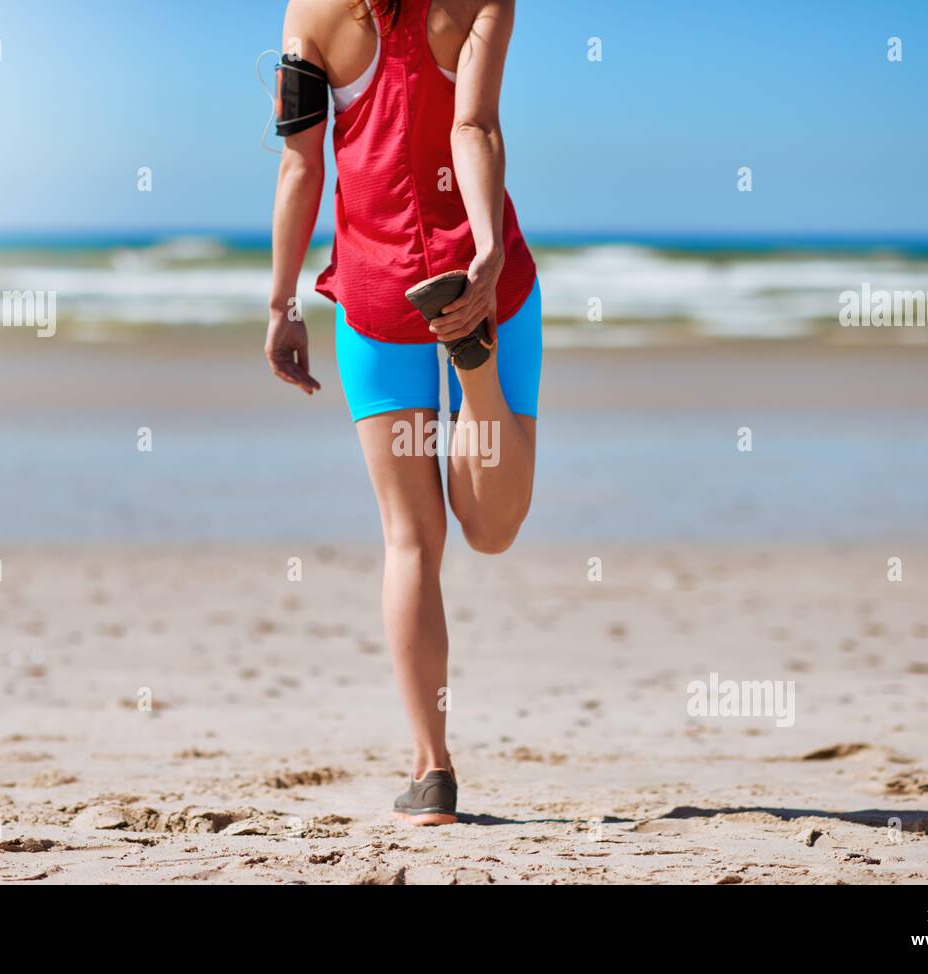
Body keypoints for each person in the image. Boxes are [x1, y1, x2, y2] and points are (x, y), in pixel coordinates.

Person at [266, 0, 540, 825]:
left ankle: (431, 773)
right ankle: (477, 372)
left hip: (377, 290)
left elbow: (301, 168)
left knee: (410, 539)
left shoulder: (309, 12)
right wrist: (486, 251)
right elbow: (476, 127)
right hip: (482, 274)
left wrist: (282, 303)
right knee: (492, 532)